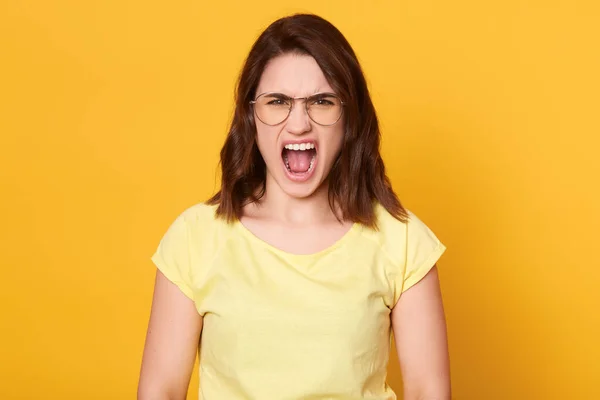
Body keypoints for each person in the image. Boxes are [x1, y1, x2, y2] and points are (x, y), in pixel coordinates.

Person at [138, 13, 450, 400]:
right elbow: (161, 390)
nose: (299, 123)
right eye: (278, 101)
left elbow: (427, 391)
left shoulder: (403, 242)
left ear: (349, 116)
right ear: (251, 116)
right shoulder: (193, 238)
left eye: (321, 101)